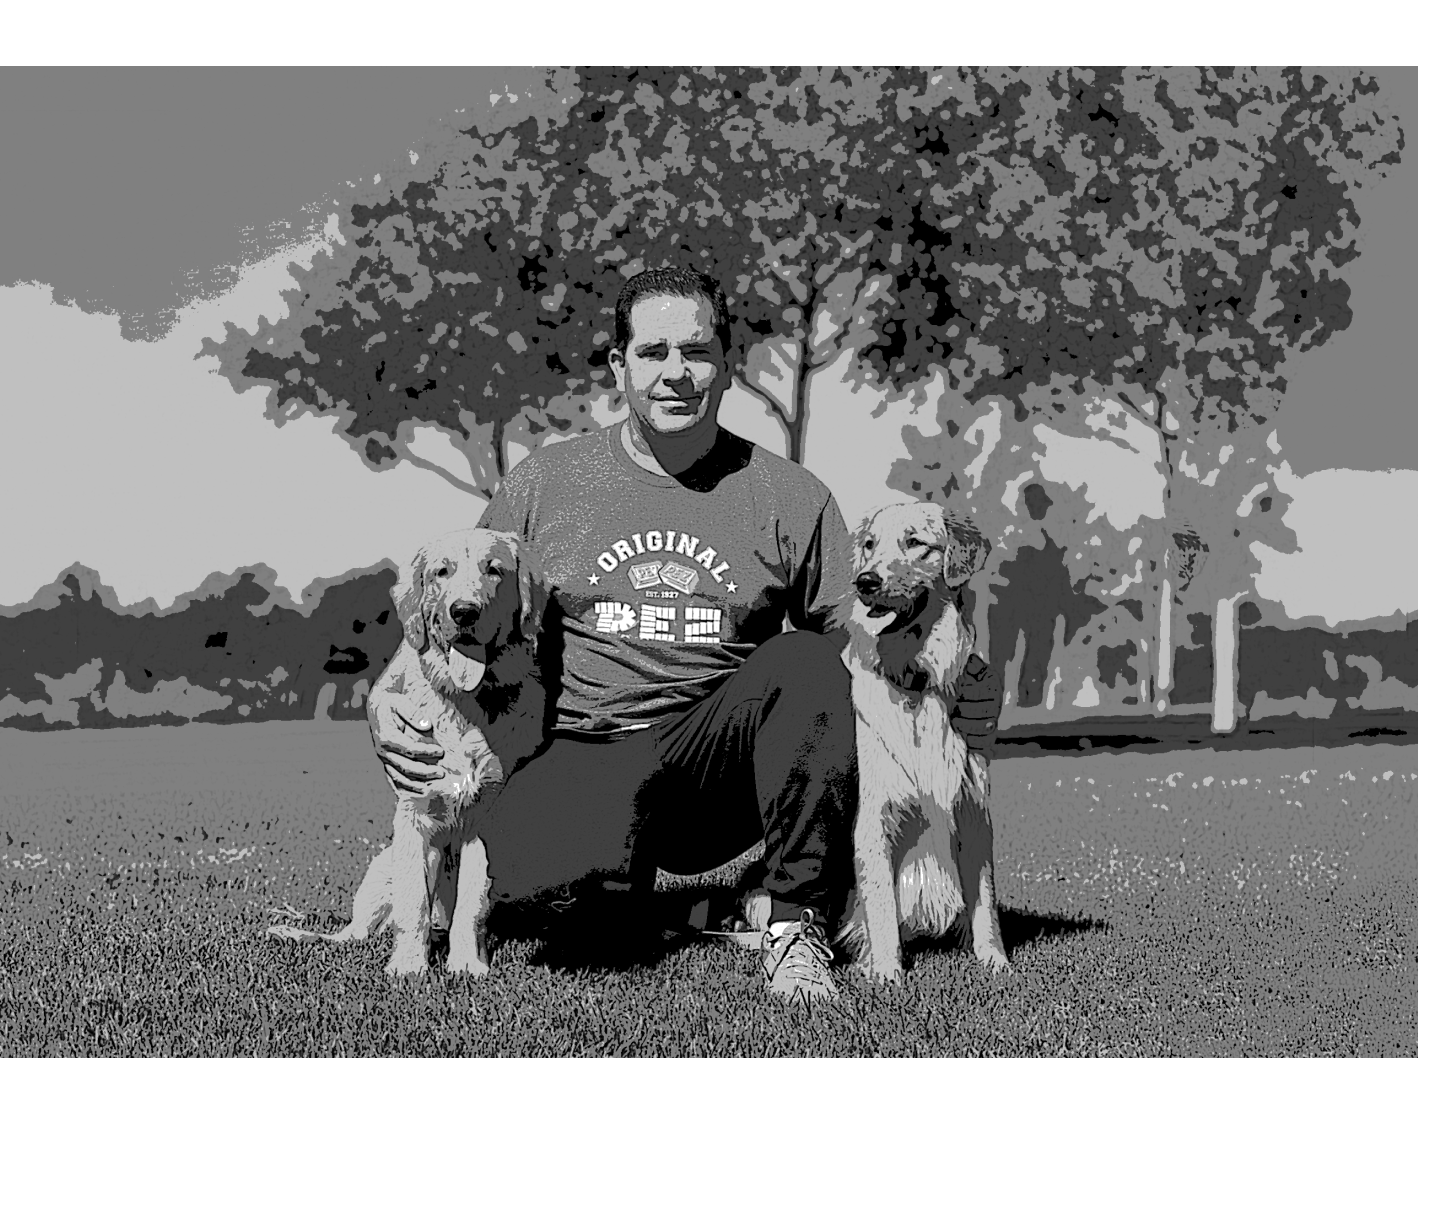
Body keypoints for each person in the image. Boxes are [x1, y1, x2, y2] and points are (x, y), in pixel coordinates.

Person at [375, 265, 998, 1001]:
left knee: (807, 663)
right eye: (654, 352)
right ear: (619, 366)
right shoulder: (545, 485)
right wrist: (383, 700)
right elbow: (454, 607)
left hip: (713, 763)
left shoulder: (790, 497)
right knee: (580, 926)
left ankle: (793, 926)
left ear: (727, 366)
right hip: (578, 752)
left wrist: (963, 676)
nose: (677, 373)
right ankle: (664, 901)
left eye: (697, 352)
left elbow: (866, 634)